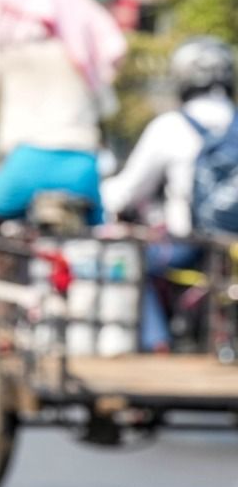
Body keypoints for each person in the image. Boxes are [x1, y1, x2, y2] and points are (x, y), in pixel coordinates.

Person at [0, 0, 128, 229]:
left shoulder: (3, 38)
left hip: (24, 165)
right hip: (82, 168)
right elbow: (105, 114)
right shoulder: (81, 43)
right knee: (90, 241)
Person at [101, 36, 236, 351]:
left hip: (191, 245)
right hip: (231, 248)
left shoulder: (171, 126)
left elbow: (124, 193)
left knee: (134, 265)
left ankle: (157, 344)